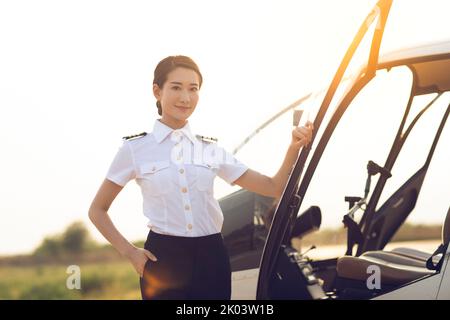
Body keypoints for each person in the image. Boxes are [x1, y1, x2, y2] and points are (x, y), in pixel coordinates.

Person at [88, 55, 313, 300]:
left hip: (212, 258)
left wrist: (293, 147)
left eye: (193, 89)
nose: (185, 98)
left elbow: (273, 186)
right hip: (163, 259)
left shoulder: (210, 149)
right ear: (157, 91)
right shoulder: (134, 149)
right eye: (176, 87)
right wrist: (130, 252)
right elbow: (98, 210)